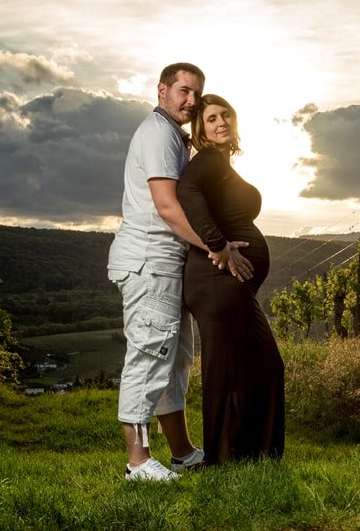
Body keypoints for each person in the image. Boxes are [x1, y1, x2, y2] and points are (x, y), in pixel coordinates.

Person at [107, 64, 252, 481]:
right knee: (149, 355)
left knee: (173, 361)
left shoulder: (173, 135)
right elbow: (168, 207)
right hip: (149, 261)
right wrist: (216, 247)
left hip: (167, 264)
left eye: (196, 94)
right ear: (162, 90)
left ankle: (183, 453)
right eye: (183, 91)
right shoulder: (157, 133)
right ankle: (138, 462)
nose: (191, 101)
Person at [177, 94, 285, 464]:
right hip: (214, 280)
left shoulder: (220, 163)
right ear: (200, 129)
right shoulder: (208, 159)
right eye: (211, 118)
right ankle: (222, 459)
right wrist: (217, 244)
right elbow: (186, 190)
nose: (221, 122)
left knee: (260, 364)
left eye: (225, 115)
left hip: (228, 285)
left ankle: (253, 453)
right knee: (226, 371)